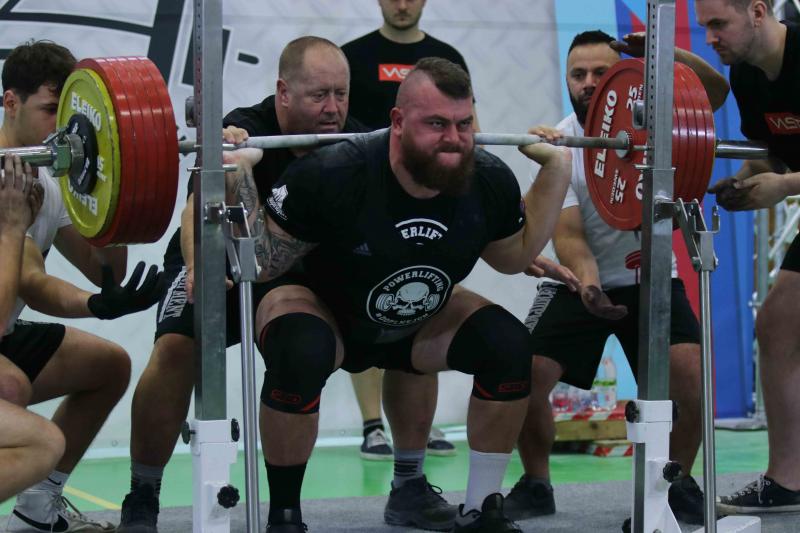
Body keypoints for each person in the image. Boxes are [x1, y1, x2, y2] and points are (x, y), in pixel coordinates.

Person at [224, 57, 572, 533]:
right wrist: (238, 174)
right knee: (299, 348)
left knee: (508, 346)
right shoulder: (334, 172)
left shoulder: (486, 177)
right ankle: (285, 517)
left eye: (463, 124)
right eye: (436, 124)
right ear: (398, 122)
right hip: (325, 308)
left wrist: (557, 168)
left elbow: (512, 258)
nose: (454, 139)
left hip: (416, 316)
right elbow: (261, 265)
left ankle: (480, 509)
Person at [115, 36, 367, 532]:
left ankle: (287, 512)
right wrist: (196, 269)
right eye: (319, 95)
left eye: (341, 94)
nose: (333, 109)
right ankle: (142, 494)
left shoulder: (357, 143)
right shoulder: (243, 129)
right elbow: (197, 210)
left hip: (292, 274)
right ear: (283, 93)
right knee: (175, 349)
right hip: (217, 258)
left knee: (305, 349)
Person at [501, 30, 730, 525]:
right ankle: (536, 484)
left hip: (652, 280)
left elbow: (714, 93)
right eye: (578, 74)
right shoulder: (561, 146)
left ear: (623, 77)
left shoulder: (659, 128)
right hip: (577, 283)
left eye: (600, 73)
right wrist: (588, 285)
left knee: (691, 381)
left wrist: (663, 53)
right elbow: (570, 236)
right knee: (523, 374)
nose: (588, 83)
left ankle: (675, 485)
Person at [0, 40, 163, 532]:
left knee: (109, 366)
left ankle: (36, 509)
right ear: (11, 102)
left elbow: (100, 266)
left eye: (67, 113)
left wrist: (110, 184)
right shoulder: (6, 186)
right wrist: (94, 305)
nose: (61, 126)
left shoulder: (48, 181)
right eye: (51, 110)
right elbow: (31, 281)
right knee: (11, 388)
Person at [341, 0, 475, 458]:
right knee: (365, 308)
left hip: (430, 203)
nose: (401, 4)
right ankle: (372, 426)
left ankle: (420, 422)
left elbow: (467, 132)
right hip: (367, 202)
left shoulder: (447, 58)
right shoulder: (353, 57)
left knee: (425, 302)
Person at [695, 0, 800, 513]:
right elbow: (770, 155)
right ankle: (787, 482)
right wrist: (743, 182)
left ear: (758, 11)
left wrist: (784, 186)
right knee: (776, 326)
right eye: (705, 27)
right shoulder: (746, 76)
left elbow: (784, 177)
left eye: (719, 24)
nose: (710, 37)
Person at [0, 154, 66, 504]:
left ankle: (36, 512)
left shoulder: (39, 191)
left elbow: (30, 276)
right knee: (42, 443)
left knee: (11, 385)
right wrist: (13, 228)